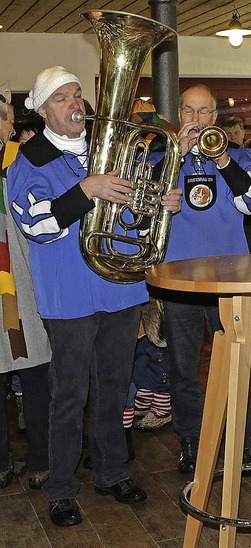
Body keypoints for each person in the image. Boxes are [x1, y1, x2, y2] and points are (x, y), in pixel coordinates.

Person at [6, 66, 182, 527]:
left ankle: (110, 472)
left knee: (114, 387)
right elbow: (36, 225)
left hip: (121, 287)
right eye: (61, 98)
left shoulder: (114, 153)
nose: (74, 104)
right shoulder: (29, 161)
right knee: (69, 394)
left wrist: (155, 205)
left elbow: (133, 217)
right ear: (43, 111)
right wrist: (87, 189)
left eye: (77, 95)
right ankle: (61, 487)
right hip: (68, 296)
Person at [154, 84, 251, 474]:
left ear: (215, 115)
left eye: (204, 112)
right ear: (179, 113)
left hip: (228, 279)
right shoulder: (162, 156)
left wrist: (222, 159)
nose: (197, 120)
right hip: (178, 279)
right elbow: (140, 201)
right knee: (183, 368)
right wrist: (179, 156)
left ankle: (241, 444)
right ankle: (190, 442)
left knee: (237, 365)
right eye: (189, 111)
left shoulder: (239, 156)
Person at [0, 89, 51, 491]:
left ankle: (41, 458)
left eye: (2, 116)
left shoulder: (24, 159)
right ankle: (2, 461)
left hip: (25, 281)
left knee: (35, 374)